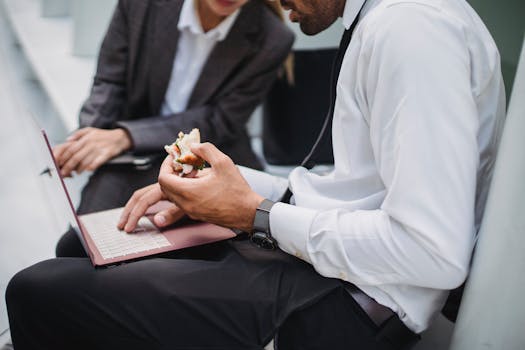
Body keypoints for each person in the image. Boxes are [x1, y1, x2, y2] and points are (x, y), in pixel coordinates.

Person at [6, 0, 505, 349]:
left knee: (35, 289)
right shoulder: (386, 19)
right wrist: (222, 188)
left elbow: (431, 254)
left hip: (348, 306)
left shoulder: (410, 30)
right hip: (332, 270)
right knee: (78, 246)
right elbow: (359, 194)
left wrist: (254, 215)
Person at [52, 0, 294, 216]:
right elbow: (111, 80)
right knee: (82, 243)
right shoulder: (141, 5)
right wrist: (86, 138)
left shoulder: (273, 37)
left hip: (209, 157)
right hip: (137, 153)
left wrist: (126, 137)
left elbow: (220, 121)